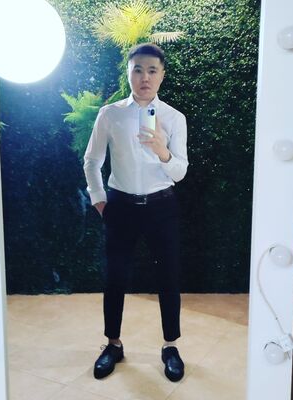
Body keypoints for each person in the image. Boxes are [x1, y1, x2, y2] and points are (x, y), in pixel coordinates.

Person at [84, 43, 188, 382]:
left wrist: (162, 151)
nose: (145, 77)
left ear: (162, 75)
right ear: (128, 73)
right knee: (115, 277)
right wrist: (99, 199)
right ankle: (113, 344)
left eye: (152, 70)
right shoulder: (110, 114)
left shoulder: (173, 118)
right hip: (121, 206)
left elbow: (180, 171)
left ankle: (170, 346)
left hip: (162, 206)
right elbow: (92, 160)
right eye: (138, 70)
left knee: (168, 277)